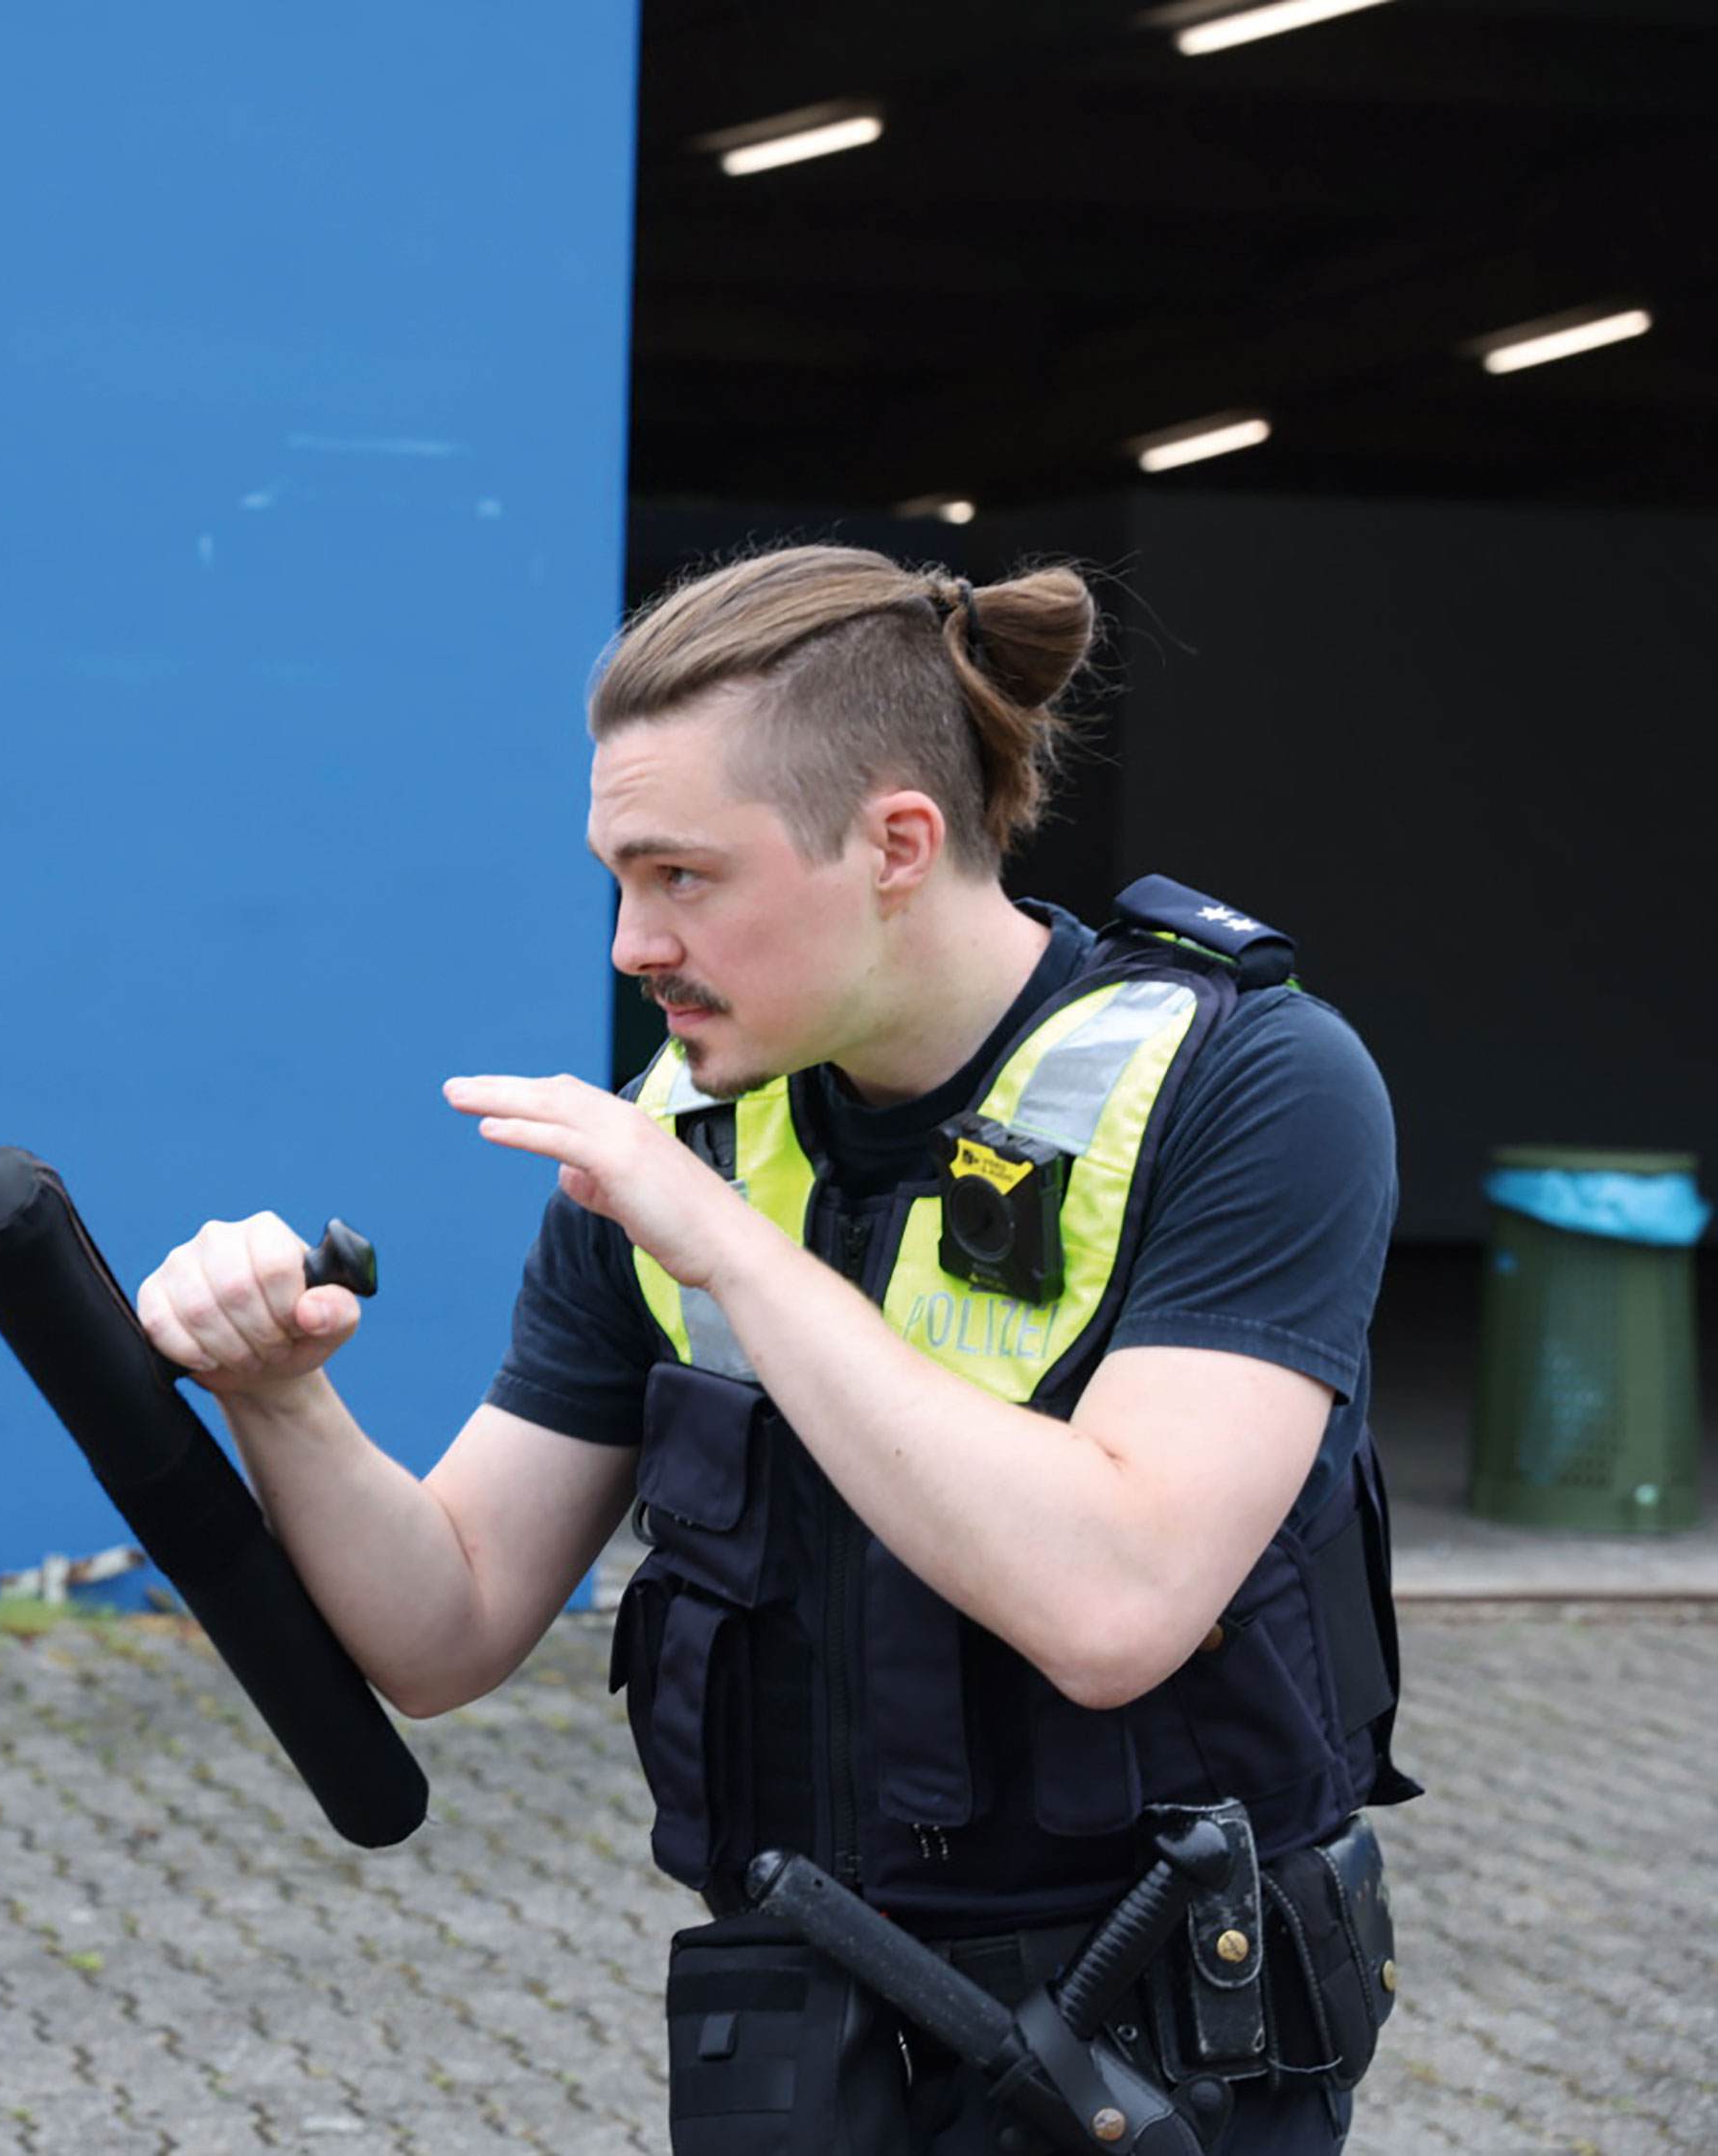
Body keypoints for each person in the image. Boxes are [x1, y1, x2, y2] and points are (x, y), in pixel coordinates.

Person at [135, 546, 1412, 2155]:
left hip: (1158, 2057)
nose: (629, 944)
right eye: (617, 877)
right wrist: (283, 1398)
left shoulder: (1258, 1087)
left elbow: (1117, 1603)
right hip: (804, 2041)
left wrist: (729, 1245)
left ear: (896, 842)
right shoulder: (679, 1150)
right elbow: (446, 1623)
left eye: (683, 878)